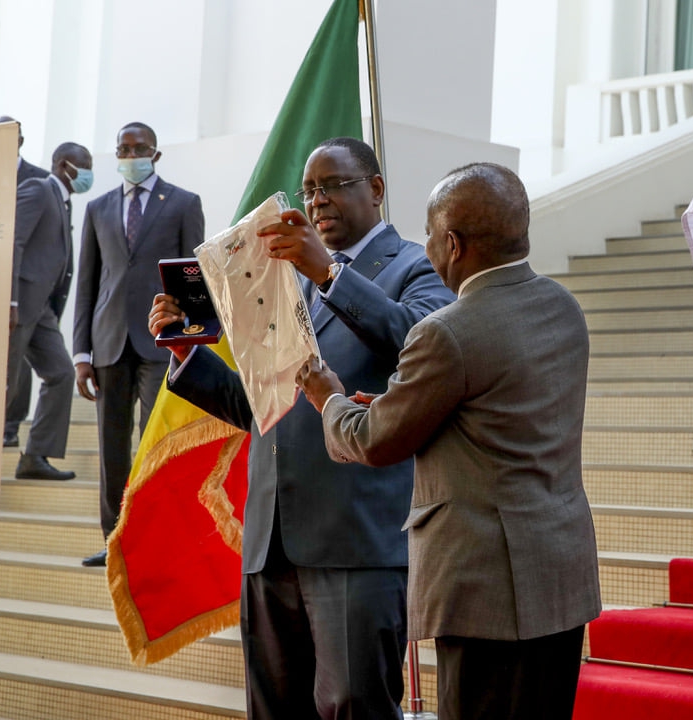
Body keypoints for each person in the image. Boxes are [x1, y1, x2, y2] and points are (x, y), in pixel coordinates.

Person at [147, 137, 454, 719]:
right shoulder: (289, 285)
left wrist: (331, 273)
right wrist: (188, 354)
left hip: (354, 539)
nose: (317, 200)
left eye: (333, 185)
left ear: (377, 189)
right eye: (309, 189)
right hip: (271, 541)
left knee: (353, 706)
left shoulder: (416, 267)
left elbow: (420, 344)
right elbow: (264, 407)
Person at [298, 162, 602, 720]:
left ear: (454, 245)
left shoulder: (447, 332)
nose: (428, 246)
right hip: (559, 577)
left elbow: (373, 443)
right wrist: (394, 405)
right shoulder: (563, 307)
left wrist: (330, 398)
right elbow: (493, 411)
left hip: (485, 592)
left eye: (432, 235)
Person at [73, 122, 204, 567]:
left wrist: (192, 340)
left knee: (154, 441)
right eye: (122, 149)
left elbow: (193, 276)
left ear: (156, 153)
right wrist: (81, 354)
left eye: (138, 148)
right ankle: (115, 542)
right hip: (107, 343)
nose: (129, 155)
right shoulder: (98, 208)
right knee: (112, 449)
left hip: (161, 342)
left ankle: (154, 537)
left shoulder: (184, 203)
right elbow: (88, 284)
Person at [8, 143, 92, 481]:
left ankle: (35, 456)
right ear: (62, 165)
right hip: (19, 304)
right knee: (5, 385)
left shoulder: (63, 200)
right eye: (83, 166)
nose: (87, 173)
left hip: (41, 309)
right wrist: (10, 301)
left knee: (60, 373)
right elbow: (13, 241)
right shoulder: (39, 188)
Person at [0, 115, 51, 449]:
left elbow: (58, 243)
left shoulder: (40, 180)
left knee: (21, 361)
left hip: (27, 289)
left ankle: (11, 428)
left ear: (20, 140)